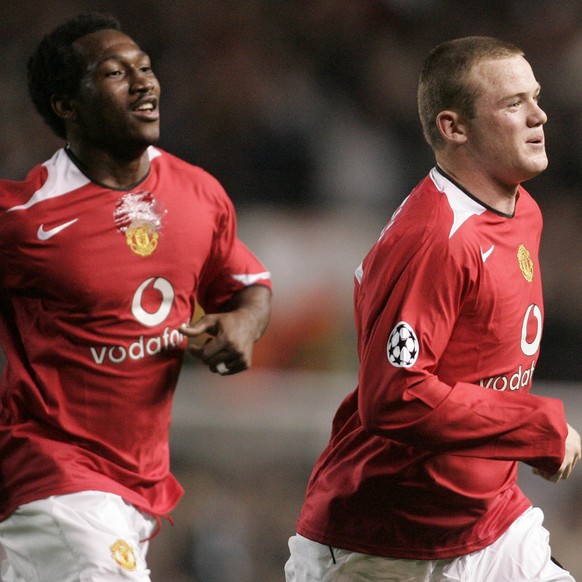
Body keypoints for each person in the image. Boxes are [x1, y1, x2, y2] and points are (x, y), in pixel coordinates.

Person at [285, 36, 581, 582]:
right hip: (381, 545)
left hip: (491, 525)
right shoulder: (435, 240)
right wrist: (535, 427)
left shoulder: (523, 213)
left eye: (535, 97)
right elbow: (395, 396)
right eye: (513, 103)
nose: (539, 115)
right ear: (453, 127)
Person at [0, 12, 272, 582]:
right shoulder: (27, 218)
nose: (144, 83)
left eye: (145, 69)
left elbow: (248, 287)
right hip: (53, 476)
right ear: (65, 105)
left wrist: (242, 326)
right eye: (115, 73)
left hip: (137, 486)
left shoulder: (199, 194)